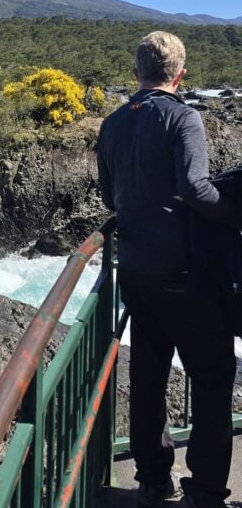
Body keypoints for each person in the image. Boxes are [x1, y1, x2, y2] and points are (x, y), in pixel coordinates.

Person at [96, 31, 237, 508]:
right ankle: (206, 490)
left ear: (137, 72)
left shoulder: (113, 123)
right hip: (185, 274)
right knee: (213, 377)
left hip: (135, 270)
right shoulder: (184, 117)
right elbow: (196, 189)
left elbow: (109, 195)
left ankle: (153, 479)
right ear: (181, 73)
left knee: (150, 374)